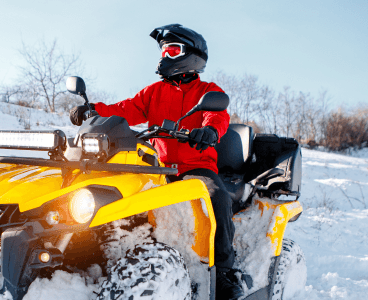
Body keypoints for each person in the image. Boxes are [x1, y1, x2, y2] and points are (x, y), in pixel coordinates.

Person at [70, 24, 244, 300]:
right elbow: (124, 110)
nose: (165, 55)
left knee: (217, 198)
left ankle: (224, 272)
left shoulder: (208, 91)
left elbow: (218, 116)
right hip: (156, 166)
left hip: (195, 168)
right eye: (164, 50)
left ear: (192, 56)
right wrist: (94, 111)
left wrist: (209, 131)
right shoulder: (154, 92)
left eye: (172, 49)